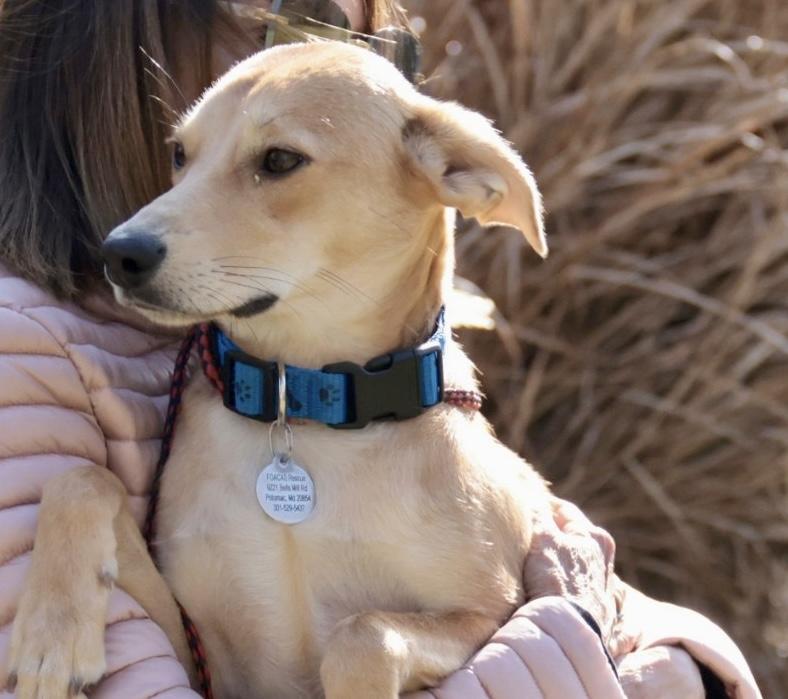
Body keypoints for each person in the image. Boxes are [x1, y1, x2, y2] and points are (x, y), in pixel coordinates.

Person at [0, 1, 761, 697]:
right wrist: (77, 511)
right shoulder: (88, 375)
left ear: (461, 177)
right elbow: (185, 663)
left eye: (276, 162)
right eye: (185, 156)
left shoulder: (460, 461)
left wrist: (383, 650)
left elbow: (644, 636)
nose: (146, 229)